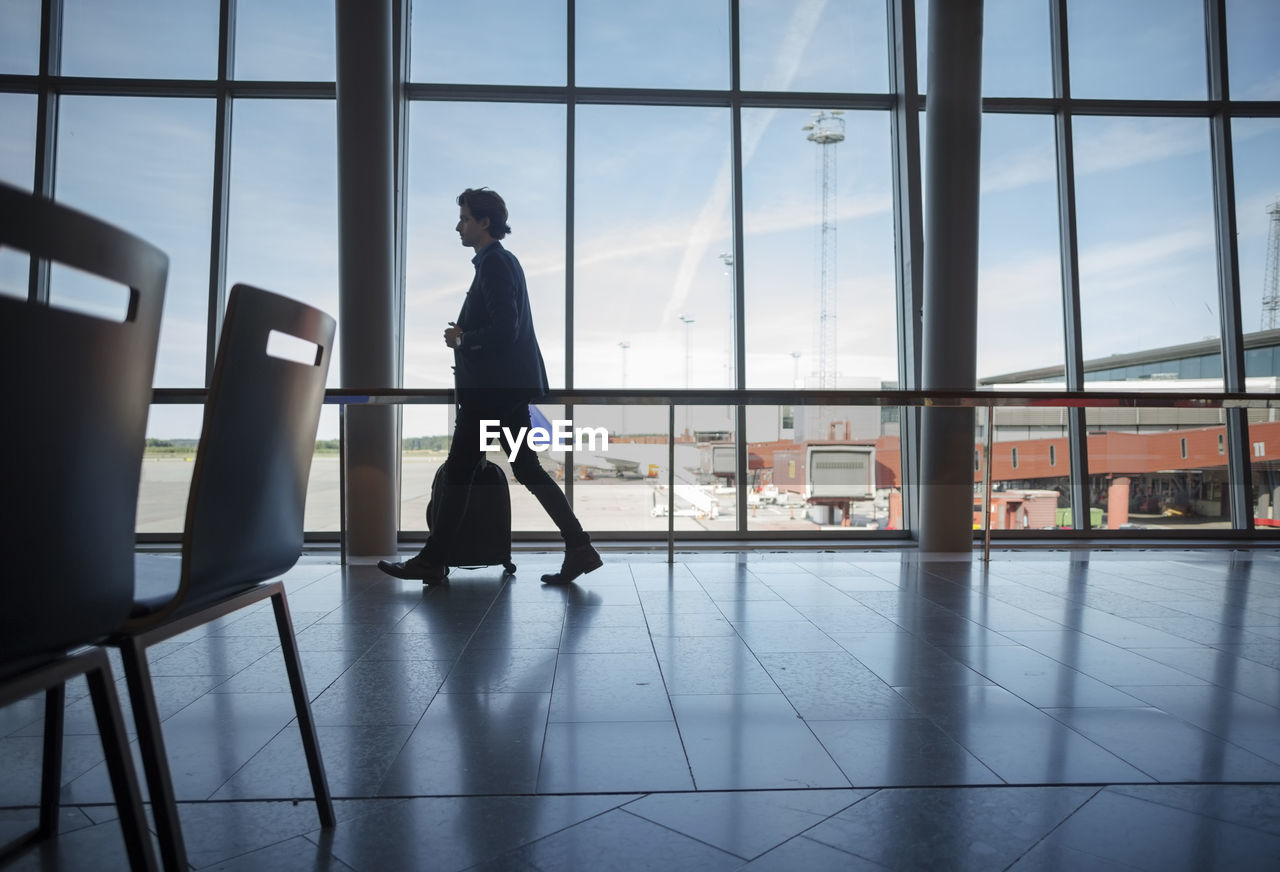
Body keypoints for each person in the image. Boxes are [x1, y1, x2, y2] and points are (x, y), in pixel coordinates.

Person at [379, 187, 602, 586]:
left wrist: (463, 338)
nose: (459, 225)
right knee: (522, 469)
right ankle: (579, 547)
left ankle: (433, 559)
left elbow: (505, 329)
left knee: (462, 473)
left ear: (484, 222)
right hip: (503, 391)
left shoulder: (495, 263)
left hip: (491, 393)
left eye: (464, 218)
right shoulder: (498, 263)